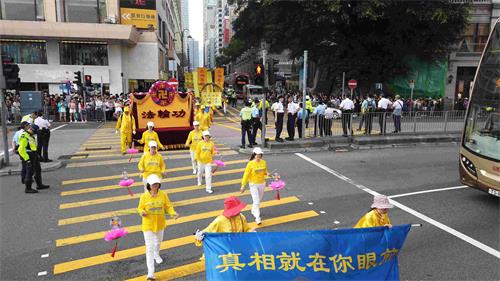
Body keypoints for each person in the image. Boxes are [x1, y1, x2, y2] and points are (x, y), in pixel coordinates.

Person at [138, 174, 179, 281]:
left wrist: (173, 213)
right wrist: (142, 212)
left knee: (158, 242)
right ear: (149, 185)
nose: (155, 186)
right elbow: (140, 208)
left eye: (157, 184)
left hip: (160, 224)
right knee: (149, 248)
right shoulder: (144, 196)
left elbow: (168, 206)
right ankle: (150, 274)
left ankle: (157, 254)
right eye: (153, 184)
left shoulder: (163, 194)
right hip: (148, 225)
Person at [17, 122, 50, 193]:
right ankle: (28, 188)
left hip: (34, 154)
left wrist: (37, 154)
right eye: (36, 131)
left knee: (38, 169)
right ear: (32, 129)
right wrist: (27, 160)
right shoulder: (24, 135)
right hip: (28, 155)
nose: (37, 133)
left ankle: (39, 185)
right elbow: (21, 149)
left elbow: (32, 146)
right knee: (30, 172)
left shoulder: (31, 135)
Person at [240, 147, 268, 225]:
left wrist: (273, 176)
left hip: (262, 183)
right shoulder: (250, 164)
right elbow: (246, 174)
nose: (258, 156)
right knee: (256, 201)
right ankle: (257, 218)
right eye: (257, 155)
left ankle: (253, 210)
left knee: (258, 200)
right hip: (253, 184)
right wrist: (243, 185)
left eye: (260, 155)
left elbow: (265, 172)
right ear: (254, 155)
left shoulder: (264, 162)